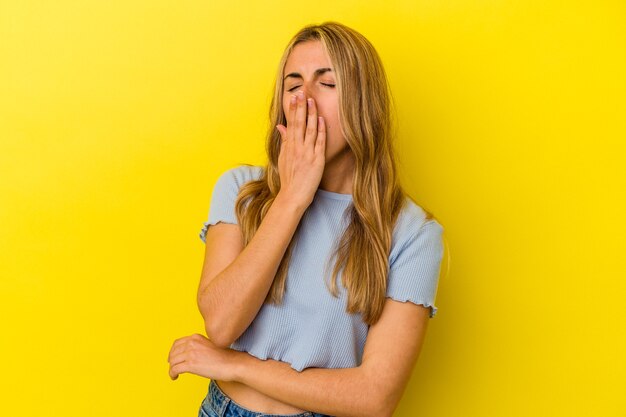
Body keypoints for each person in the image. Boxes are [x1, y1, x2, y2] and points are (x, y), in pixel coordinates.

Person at [168, 21, 445, 417]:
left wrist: (237, 365)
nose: (304, 101)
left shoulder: (413, 233)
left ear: (363, 103)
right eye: (293, 85)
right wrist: (292, 197)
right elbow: (221, 325)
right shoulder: (241, 190)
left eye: (327, 84)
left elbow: (374, 398)